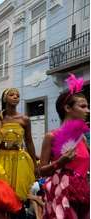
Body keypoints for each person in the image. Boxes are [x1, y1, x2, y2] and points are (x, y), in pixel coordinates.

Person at [39, 74, 90, 219]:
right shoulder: (52, 136)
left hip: (83, 194)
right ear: (68, 108)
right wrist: (59, 163)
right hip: (60, 194)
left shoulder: (83, 138)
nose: (88, 111)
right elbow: (41, 171)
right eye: (83, 106)